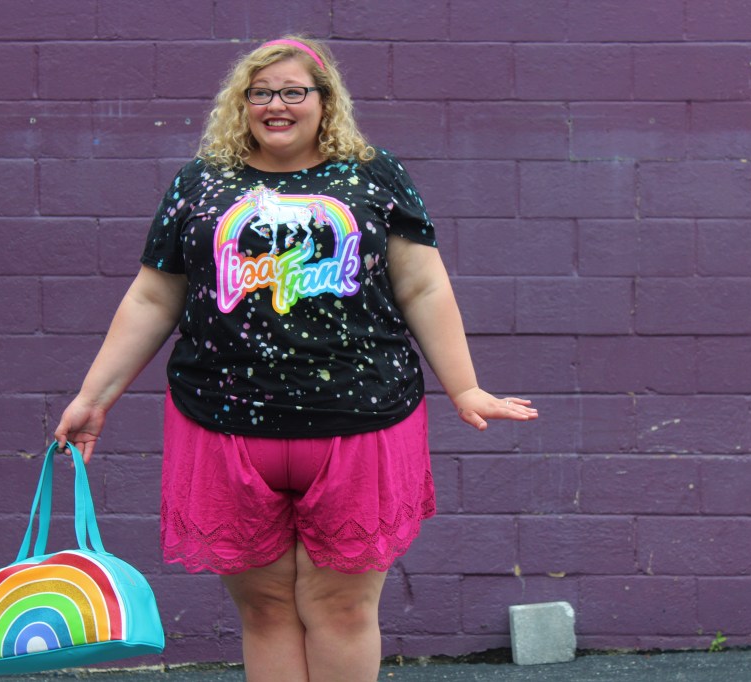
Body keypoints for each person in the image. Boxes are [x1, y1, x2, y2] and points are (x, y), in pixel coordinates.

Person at [55, 35, 538, 682]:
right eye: (261, 93)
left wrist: (466, 388)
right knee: (266, 610)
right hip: (223, 425)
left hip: (359, 422)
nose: (276, 105)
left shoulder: (373, 174)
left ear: (324, 100)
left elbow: (422, 285)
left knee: (341, 608)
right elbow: (152, 296)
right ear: (242, 102)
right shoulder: (201, 181)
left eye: (293, 91)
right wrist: (93, 398)